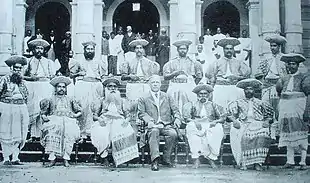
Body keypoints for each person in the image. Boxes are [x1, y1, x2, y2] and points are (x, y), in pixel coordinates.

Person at [90, 76, 139, 167]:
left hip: (119, 121)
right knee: (102, 134)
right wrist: (100, 119)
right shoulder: (101, 101)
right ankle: (104, 157)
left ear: (117, 89)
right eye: (110, 87)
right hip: (104, 121)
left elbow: (128, 115)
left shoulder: (122, 101)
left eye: (114, 87)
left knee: (126, 132)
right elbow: (94, 116)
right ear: (106, 88)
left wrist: (126, 120)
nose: (112, 89)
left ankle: (121, 158)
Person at [138, 75, 182, 171]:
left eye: (157, 82)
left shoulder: (167, 96)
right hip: (152, 125)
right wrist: (149, 120)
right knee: (154, 132)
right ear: (149, 84)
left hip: (166, 124)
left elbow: (175, 110)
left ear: (160, 84)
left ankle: (166, 158)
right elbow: (141, 113)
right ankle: (155, 160)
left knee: (173, 134)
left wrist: (178, 118)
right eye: (153, 82)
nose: (155, 84)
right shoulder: (143, 98)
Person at [228, 78, 274, 171]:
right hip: (244, 123)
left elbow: (270, 115)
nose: (249, 91)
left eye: (251, 89)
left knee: (262, 134)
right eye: (247, 89)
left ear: (254, 90)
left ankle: (258, 163)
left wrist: (266, 121)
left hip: (258, 123)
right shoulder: (238, 102)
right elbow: (230, 115)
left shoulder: (261, 102)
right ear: (244, 91)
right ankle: (244, 162)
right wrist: (234, 120)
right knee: (243, 137)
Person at [275, 53, 310, 170]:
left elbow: (307, 93)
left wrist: (306, 111)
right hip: (285, 106)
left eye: (293, 64)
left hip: (298, 106)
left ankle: (303, 161)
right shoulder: (284, 77)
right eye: (289, 64)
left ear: (298, 65)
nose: (291, 66)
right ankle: (290, 160)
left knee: (300, 132)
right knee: (287, 132)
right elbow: (279, 92)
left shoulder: (303, 77)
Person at [40, 76, 81, 167]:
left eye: (63, 87)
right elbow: (43, 113)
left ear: (66, 89)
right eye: (59, 87)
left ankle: (66, 158)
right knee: (52, 130)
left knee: (69, 132)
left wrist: (74, 115)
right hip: (53, 119)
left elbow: (79, 111)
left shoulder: (70, 99)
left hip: (68, 120)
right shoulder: (50, 99)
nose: (61, 89)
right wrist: (44, 117)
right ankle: (52, 158)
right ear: (55, 88)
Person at [69, 41, 106, 139]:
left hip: (96, 85)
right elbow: (71, 75)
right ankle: (82, 132)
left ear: (94, 50)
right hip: (82, 85)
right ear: (84, 50)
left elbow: (103, 76)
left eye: (92, 49)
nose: (90, 51)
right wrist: (78, 74)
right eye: (88, 49)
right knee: (83, 108)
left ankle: (93, 131)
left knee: (95, 108)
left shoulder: (99, 62)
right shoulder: (78, 61)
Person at [183, 84, 226, 169]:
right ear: (197, 95)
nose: (203, 96)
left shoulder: (213, 105)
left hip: (210, 125)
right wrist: (195, 121)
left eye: (205, 94)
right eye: (200, 94)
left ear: (208, 95)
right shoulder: (192, 104)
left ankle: (211, 158)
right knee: (190, 128)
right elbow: (186, 118)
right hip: (196, 125)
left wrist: (215, 121)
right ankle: (196, 159)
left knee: (218, 129)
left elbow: (222, 118)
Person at [207, 37, 251, 112]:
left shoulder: (238, 62)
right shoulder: (217, 62)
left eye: (231, 49)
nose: (229, 51)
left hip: (234, 87)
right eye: (227, 49)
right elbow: (211, 77)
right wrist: (211, 91)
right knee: (220, 109)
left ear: (233, 50)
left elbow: (246, 75)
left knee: (235, 110)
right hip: (220, 88)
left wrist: (236, 77)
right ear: (223, 50)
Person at [24, 38, 56, 140]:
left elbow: (52, 76)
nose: (39, 50)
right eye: (37, 48)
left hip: (45, 86)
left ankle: (45, 133)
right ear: (33, 50)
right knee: (34, 110)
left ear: (44, 50)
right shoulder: (28, 62)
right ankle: (33, 134)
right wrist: (30, 78)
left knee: (43, 110)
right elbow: (22, 76)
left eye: (41, 48)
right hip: (33, 87)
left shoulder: (48, 62)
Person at [0, 56, 29, 165]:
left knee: (20, 132)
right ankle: (6, 158)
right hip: (6, 108)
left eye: (20, 68)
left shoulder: (22, 82)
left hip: (20, 108)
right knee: (6, 132)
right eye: (16, 68)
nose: (17, 70)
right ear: (11, 68)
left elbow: (26, 96)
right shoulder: (4, 79)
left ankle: (15, 158)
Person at [163, 39, 203, 115]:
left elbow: (199, 76)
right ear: (177, 50)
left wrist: (191, 83)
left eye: (184, 49)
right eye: (180, 49)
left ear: (187, 49)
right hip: (175, 87)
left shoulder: (193, 62)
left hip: (188, 87)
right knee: (173, 103)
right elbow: (165, 77)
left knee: (190, 104)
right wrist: (174, 74)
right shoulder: (171, 63)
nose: (182, 51)